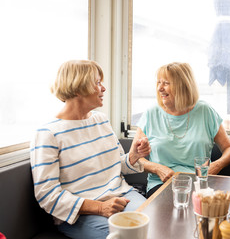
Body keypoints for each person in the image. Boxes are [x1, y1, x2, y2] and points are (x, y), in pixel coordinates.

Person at [30, 60, 151, 239]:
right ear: (78, 87)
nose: (103, 88)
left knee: (154, 223)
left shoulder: (100, 120)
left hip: (123, 196)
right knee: (126, 236)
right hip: (81, 214)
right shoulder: (48, 133)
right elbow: (47, 195)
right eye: (97, 82)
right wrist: (100, 207)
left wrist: (134, 156)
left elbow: (117, 165)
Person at [135, 62, 230, 197]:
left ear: (183, 86)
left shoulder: (205, 111)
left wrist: (216, 166)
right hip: (161, 184)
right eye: (158, 82)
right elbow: (135, 157)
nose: (160, 88)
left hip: (199, 183)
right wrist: (157, 168)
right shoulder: (151, 114)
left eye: (166, 83)